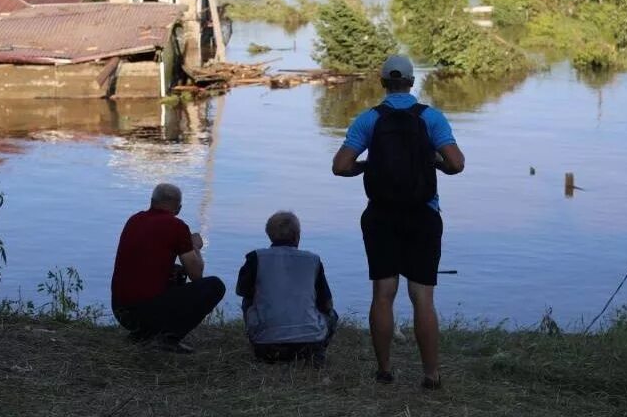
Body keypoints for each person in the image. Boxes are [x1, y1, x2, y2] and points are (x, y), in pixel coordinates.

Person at [331, 54, 465, 390]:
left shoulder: (369, 119)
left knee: (382, 293)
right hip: (424, 215)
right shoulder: (431, 118)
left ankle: (385, 370)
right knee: (422, 296)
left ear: (382, 83)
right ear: (411, 82)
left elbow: (341, 166)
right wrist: (432, 160)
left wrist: (369, 166)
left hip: (380, 215)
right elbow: (457, 164)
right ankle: (431, 374)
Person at [110, 183, 225, 353]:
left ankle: (144, 334)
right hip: (143, 311)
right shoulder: (177, 226)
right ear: (178, 209)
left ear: (151, 202)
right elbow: (196, 275)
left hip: (120, 309)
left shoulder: (134, 220)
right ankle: (167, 338)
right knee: (214, 286)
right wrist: (196, 248)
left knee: (177, 271)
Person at [236, 211, 338, 363]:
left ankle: (264, 340)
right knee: (332, 314)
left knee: (248, 300)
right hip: (310, 345)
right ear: (297, 235)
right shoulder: (313, 260)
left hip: (266, 347)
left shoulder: (255, 258)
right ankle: (316, 352)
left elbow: (241, 291)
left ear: (269, 235)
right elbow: (327, 304)